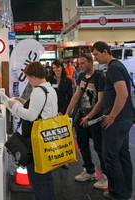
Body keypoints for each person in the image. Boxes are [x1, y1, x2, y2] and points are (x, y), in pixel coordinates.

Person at [8, 62, 58, 200]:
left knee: (37, 179)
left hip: (35, 139)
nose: (28, 81)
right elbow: (43, 110)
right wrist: (25, 103)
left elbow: (31, 116)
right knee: (46, 176)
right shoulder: (49, 89)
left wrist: (14, 107)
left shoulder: (38, 90)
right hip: (46, 137)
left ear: (34, 76)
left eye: (29, 77)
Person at [92, 41, 133, 200]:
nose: (95, 58)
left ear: (105, 51)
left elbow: (122, 94)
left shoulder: (114, 68)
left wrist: (112, 115)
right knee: (123, 156)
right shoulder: (118, 66)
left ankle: (118, 194)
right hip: (124, 119)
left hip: (117, 120)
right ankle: (125, 192)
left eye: (96, 54)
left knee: (110, 156)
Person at [66, 53, 107, 189]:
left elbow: (100, 101)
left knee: (99, 148)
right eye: (79, 64)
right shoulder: (81, 76)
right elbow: (76, 94)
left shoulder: (100, 78)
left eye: (82, 63)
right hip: (81, 116)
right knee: (83, 145)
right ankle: (89, 171)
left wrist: (89, 118)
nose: (80, 66)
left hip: (94, 118)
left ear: (90, 62)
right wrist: (68, 111)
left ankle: (106, 176)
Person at [46, 60, 73, 170]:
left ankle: (63, 160)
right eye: (54, 68)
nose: (56, 70)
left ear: (62, 67)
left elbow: (70, 97)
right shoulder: (48, 79)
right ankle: (51, 158)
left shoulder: (68, 81)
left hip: (62, 110)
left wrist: (62, 110)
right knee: (50, 135)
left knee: (62, 136)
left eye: (57, 67)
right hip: (50, 110)